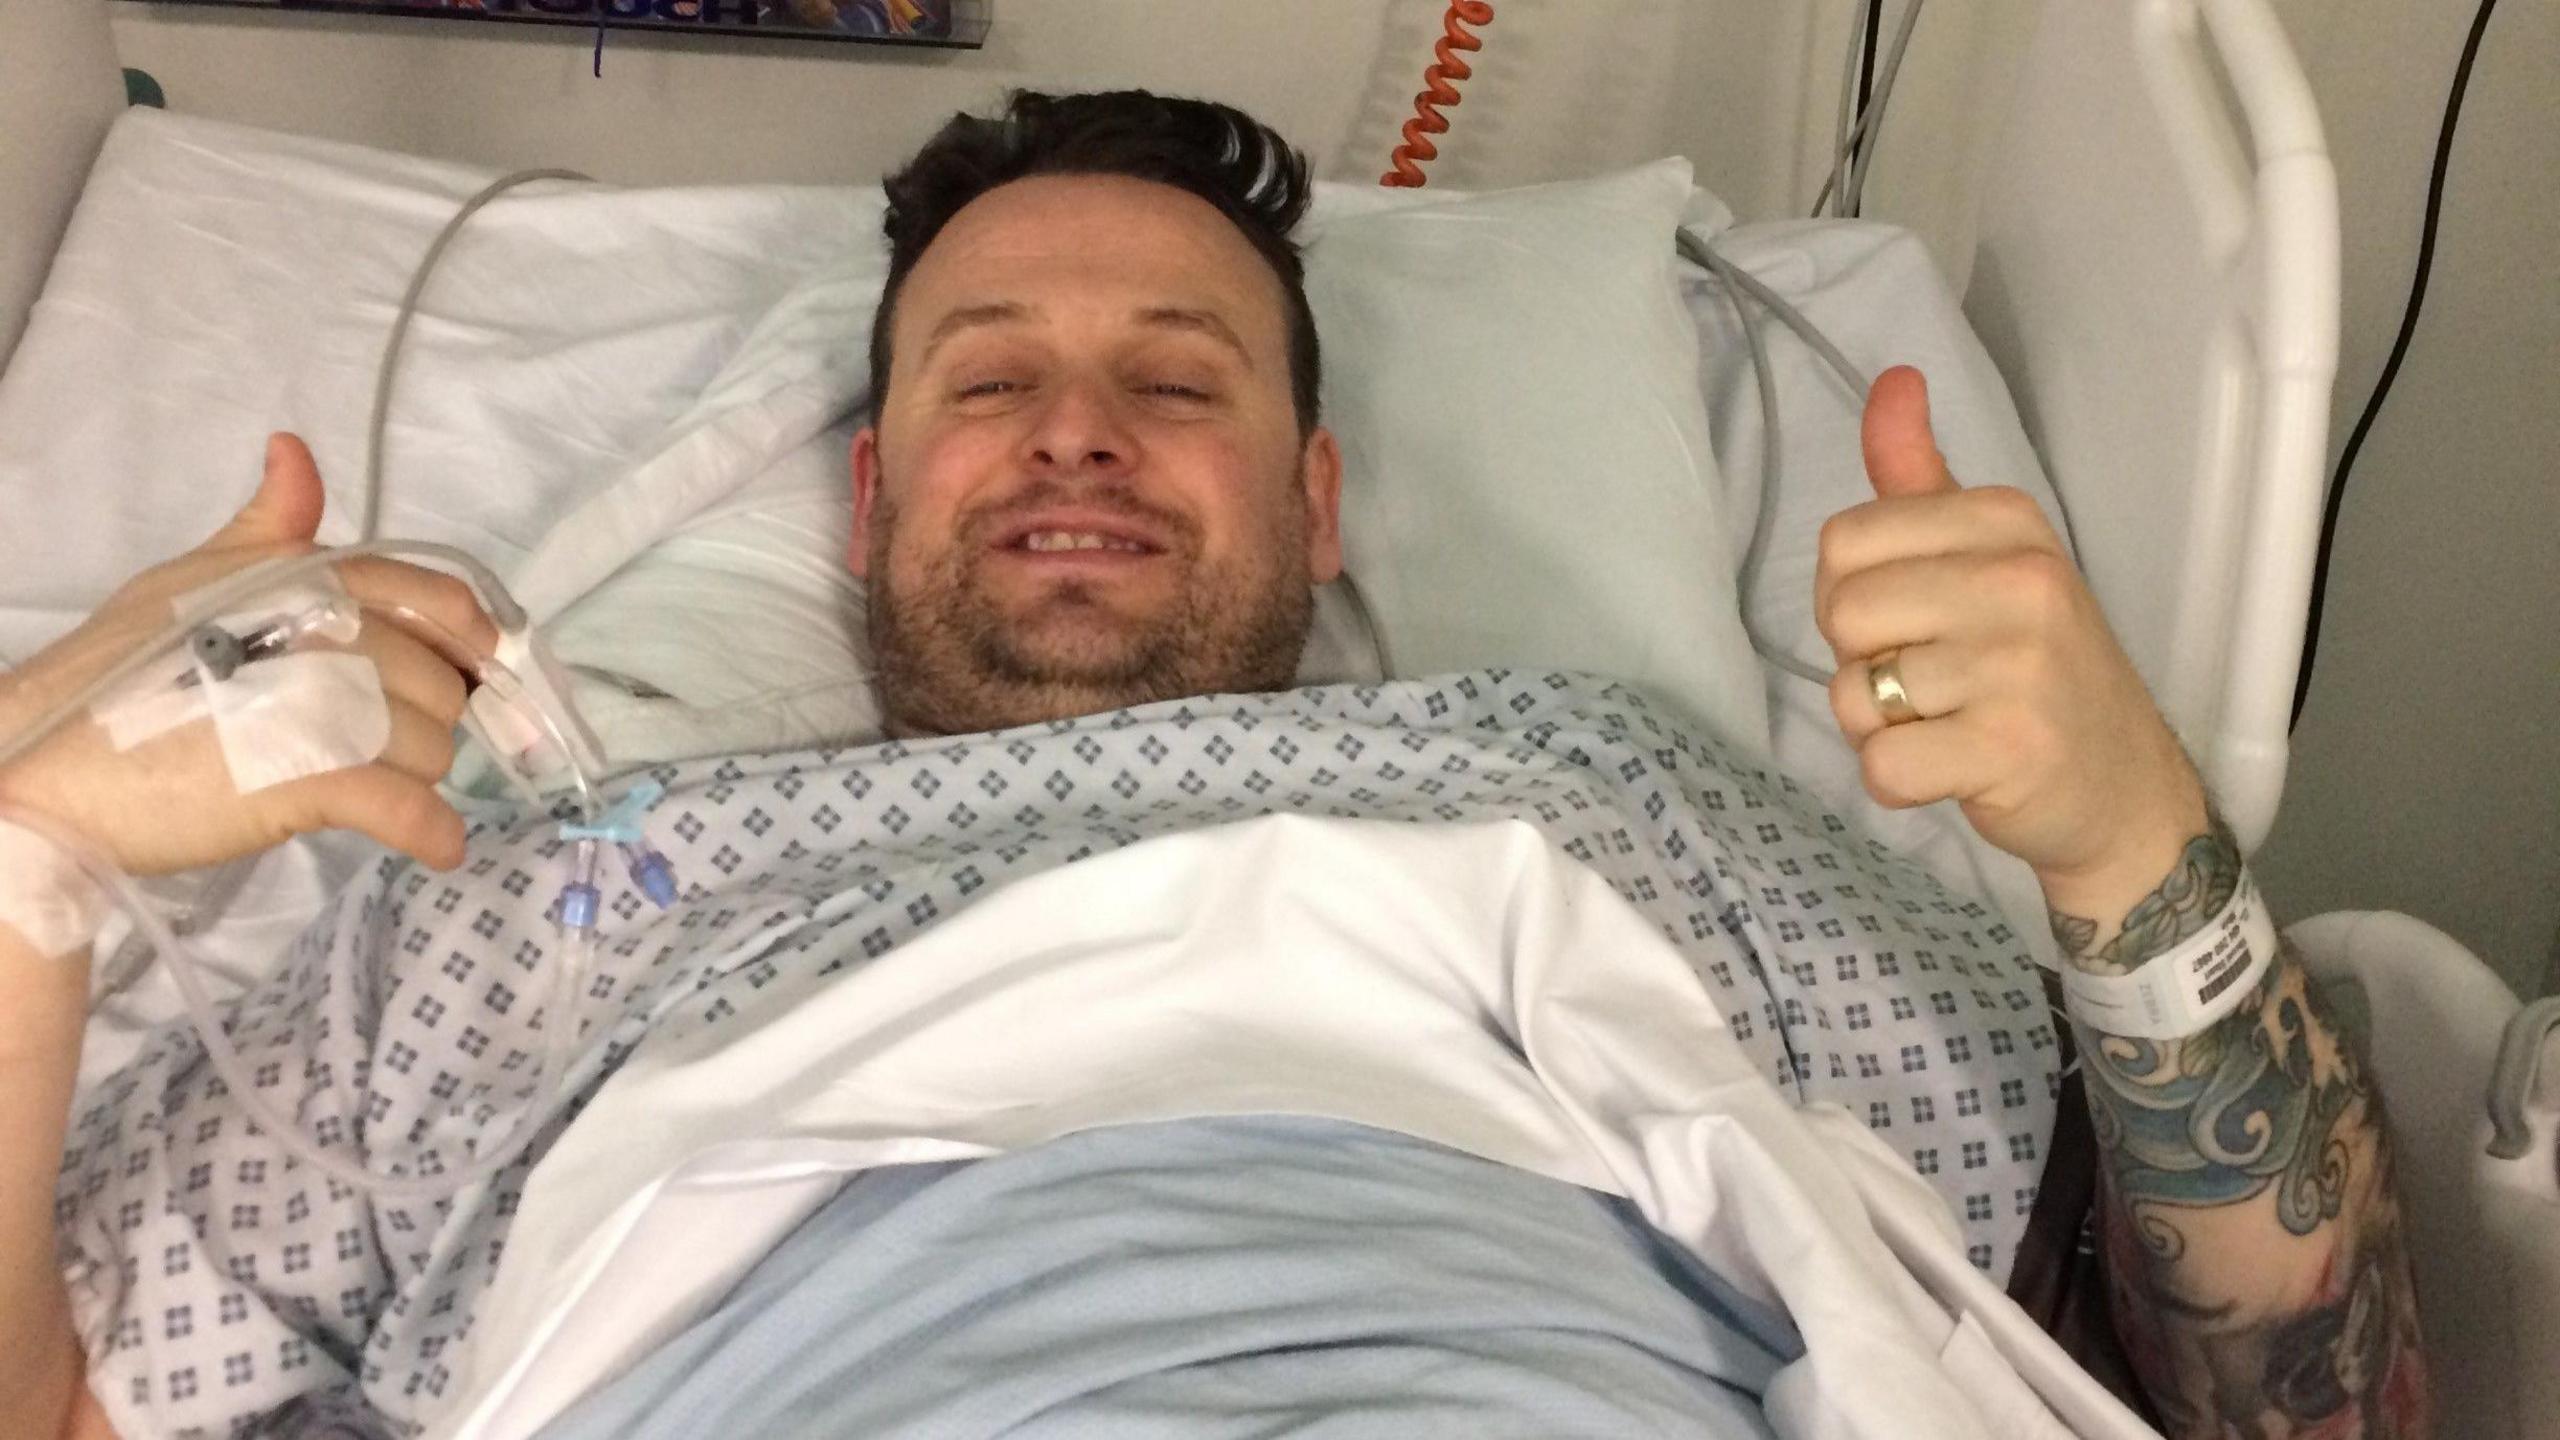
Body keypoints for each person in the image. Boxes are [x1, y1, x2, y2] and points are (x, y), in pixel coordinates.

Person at [0, 91, 2424, 1439]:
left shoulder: (1582, 784)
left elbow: (2294, 1409)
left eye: (1178, 378)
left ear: (1317, 498)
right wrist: (29, 855)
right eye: (980, 380)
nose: (1075, 431)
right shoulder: (519, 881)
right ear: (864, 496)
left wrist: (2132, 852)